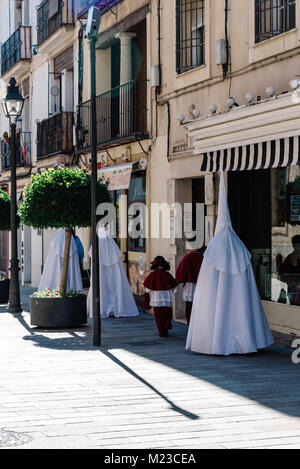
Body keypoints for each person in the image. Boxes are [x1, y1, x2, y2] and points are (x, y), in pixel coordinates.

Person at [186, 170, 274, 356]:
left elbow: (206, 288)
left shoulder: (212, 250)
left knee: (217, 309)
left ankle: (215, 340)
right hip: (238, 294)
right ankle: (243, 340)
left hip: (216, 293)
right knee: (240, 308)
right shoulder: (240, 248)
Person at [87, 226, 139, 318]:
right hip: (113, 273)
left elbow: (92, 256)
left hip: (101, 271)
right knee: (116, 287)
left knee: (101, 287)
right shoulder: (111, 242)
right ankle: (118, 309)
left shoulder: (97, 243)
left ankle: (102, 310)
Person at [39, 229, 83, 293]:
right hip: (73, 264)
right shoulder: (75, 240)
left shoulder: (55, 242)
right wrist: (80, 261)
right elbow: (81, 252)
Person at [142, 256, 177, 337]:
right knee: (167, 315)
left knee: (159, 317)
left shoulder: (152, 275)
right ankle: (165, 329)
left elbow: (146, 288)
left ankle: (161, 331)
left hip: (156, 300)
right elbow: (174, 287)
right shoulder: (167, 275)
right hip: (167, 299)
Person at [176, 246, 204, 325]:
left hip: (190, 285)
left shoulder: (187, 257)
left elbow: (181, 271)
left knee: (190, 305)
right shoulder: (204, 257)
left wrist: (179, 279)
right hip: (202, 284)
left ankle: (190, 323)